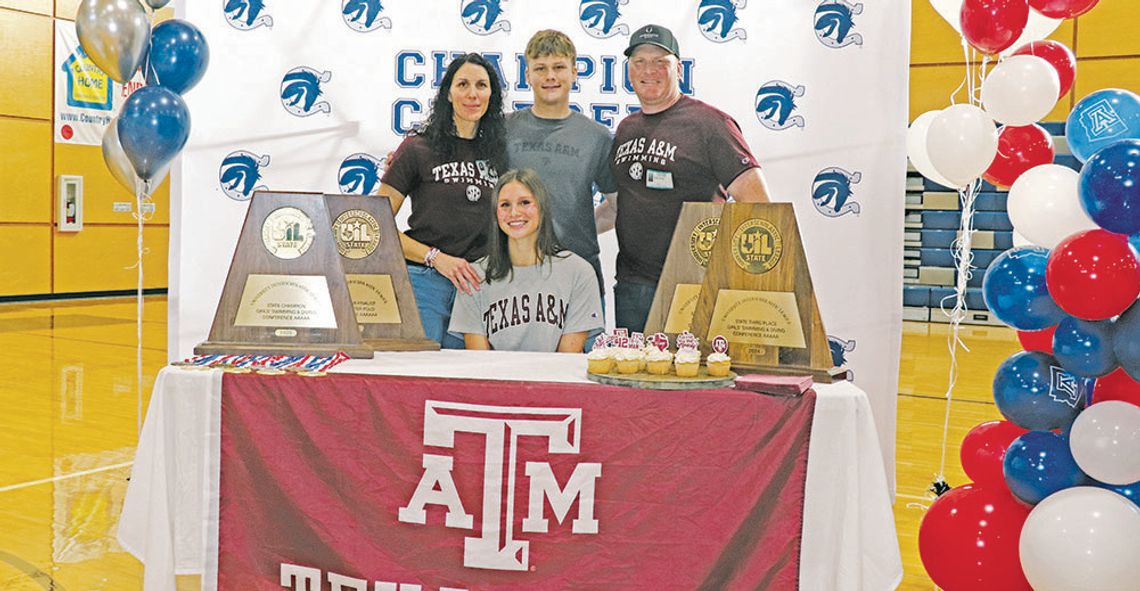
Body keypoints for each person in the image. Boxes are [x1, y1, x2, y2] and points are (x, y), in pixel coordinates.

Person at [598, 24, 773, 333]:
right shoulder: (626, 128)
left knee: (696, 377)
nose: (648, 70)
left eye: (659, 62)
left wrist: (737, 273)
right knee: (632, 377)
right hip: (634, 284)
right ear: (628, 70)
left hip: (695, 283)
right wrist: (563, 236)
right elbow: (616, 207)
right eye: (639, 61)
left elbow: (757, 202)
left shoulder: (709, 123)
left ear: (678, 68)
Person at [378, 53, 508, 349]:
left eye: (481, 85)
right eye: (462, 84)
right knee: (418, 376)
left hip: (479, 286)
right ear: (448, 93)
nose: (472, 94)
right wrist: (436, 258)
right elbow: (377, 226)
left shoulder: (501, 153)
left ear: (492, 94)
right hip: (424, 282)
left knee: (469, 382)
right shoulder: (416, 148)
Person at [506, 30, 618, 301]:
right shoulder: (502, 130)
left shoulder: (597, 137)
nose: (550, 76)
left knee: (584, 346)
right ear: (527, 75)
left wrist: (573, 227)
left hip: (579, 274)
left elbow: (618, 206)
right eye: (540, 68)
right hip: (512, 274)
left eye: (559, 67)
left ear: (574, 72)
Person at [449, 169, 603, 352]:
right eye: (505, 205)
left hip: (553, 379)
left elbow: (567, 359)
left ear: (542, 207)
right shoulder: (474, 276)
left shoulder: (579, 272)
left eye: (525, 202)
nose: (514, 212)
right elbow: (479, 361)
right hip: (497, 379)